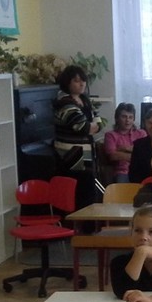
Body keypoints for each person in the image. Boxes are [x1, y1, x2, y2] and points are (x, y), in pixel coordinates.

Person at [54, 65, 103, 209]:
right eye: (76, 81)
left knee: (89, 194)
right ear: (67, 83)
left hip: (86, 157)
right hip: (72, 157)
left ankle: (89, 223)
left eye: (83, 80)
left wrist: (91, 126)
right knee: (77, 196)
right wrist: (91, 126)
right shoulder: (65, 103)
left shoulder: (84, 100)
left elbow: (99, 124)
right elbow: (83, 127)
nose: (81, 84)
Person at [103, 102, 145, 183]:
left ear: (133, 119)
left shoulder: (141, 133)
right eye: (124, 117)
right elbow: (113, 156)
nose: (127, 120)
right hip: (123, 172)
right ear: (117, 118)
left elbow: (146, 153)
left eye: (130, 117)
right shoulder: (110, 135)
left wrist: (124, 148)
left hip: (141, 171)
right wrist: (137, 155)